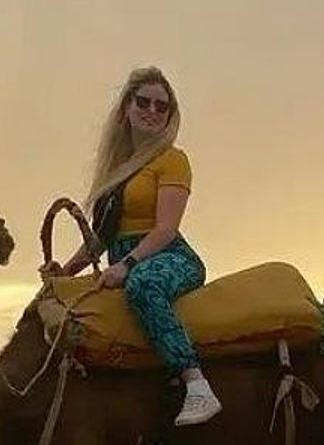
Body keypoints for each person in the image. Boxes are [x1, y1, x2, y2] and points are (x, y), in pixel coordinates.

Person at [42, 66, 221, 426]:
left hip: (166, 255)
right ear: (126, 107)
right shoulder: (117, 169)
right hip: (121, 258)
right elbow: (101, 239)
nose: (152, 111)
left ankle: (197, 383)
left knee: (143, 285)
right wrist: (67, 269)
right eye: (144, 102)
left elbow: (166, 229)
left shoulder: (172, 160)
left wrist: (127, 265)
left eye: (162, 106)